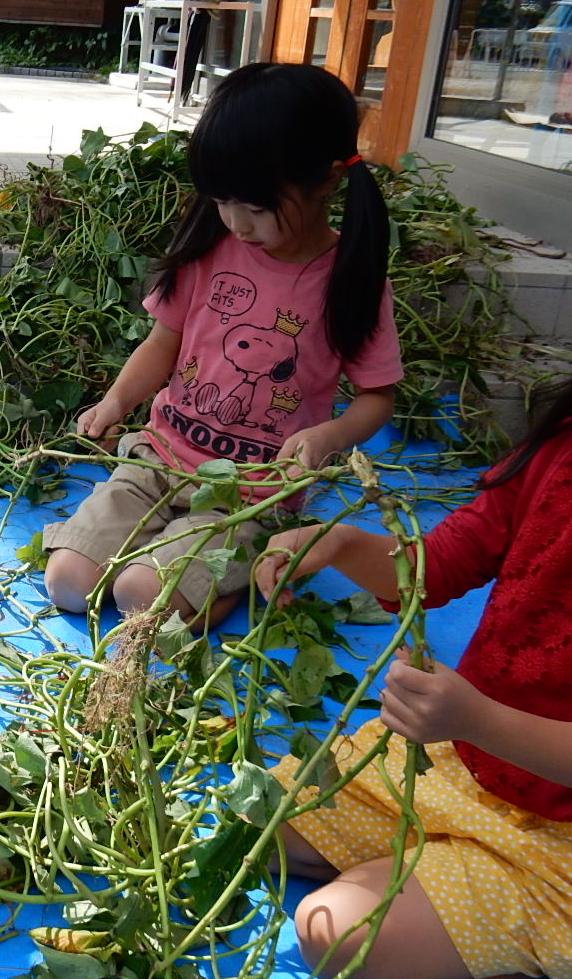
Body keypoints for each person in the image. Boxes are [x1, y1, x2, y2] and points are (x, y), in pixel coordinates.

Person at [253, 179, 572, 979]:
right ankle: (439, 870)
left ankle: (558, 941)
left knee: (332, 934)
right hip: (470, 768)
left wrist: (472, 717)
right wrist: (334, 544)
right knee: (262, 823)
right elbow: (443, 563)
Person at [43, 62, 402, 628]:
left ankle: (241, 570)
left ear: (328, 180)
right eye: (221, 201)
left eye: (256, 208)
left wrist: (329, 436)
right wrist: (115, 403)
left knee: (142, 598)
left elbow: (378, 395)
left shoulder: (351, 279)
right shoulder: (210, 250)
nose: (235, 222)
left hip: (251, 490)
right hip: (160, 458)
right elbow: (164, 342)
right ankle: (185, 562)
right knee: (68, 584)